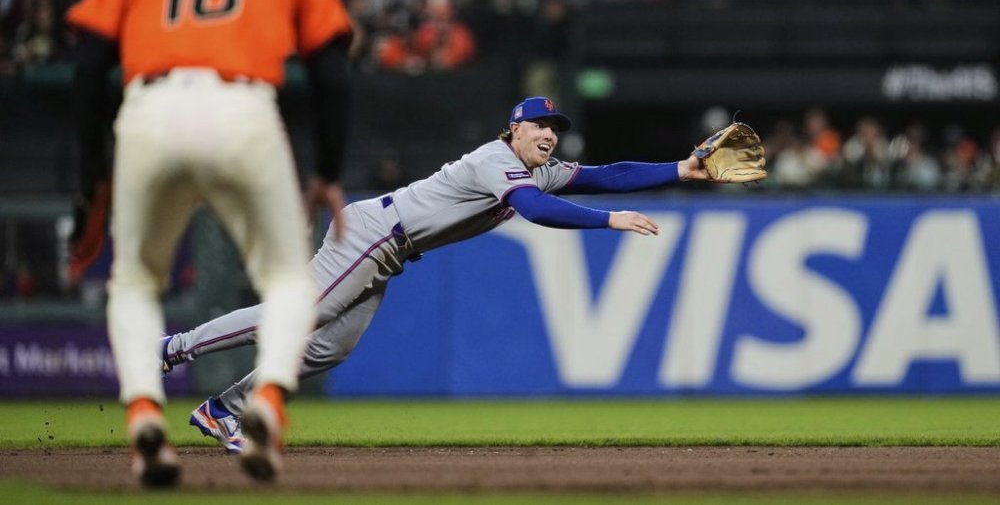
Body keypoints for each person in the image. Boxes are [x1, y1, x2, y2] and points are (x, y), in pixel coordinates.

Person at [163, 96, 719, 453]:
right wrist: (610, 221)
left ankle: (222, 410)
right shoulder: (495, 160)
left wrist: (680, 168)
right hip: (373, 234)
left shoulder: (539, 170)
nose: (549, 134)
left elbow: (610, 173)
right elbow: (536, 211)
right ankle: (174, 347)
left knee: (328, 349)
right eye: (539, 125)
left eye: (555, 127)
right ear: (514, 130)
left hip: (390, 248)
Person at [65, 0, 353, 487]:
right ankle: (268, 404)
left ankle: (144, 414)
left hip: (147, 108)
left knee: (136, 282)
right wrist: (329, 172)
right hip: (243, 108)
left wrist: (93, 177)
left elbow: (86, 68)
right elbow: (332, 74)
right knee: (285, 280)